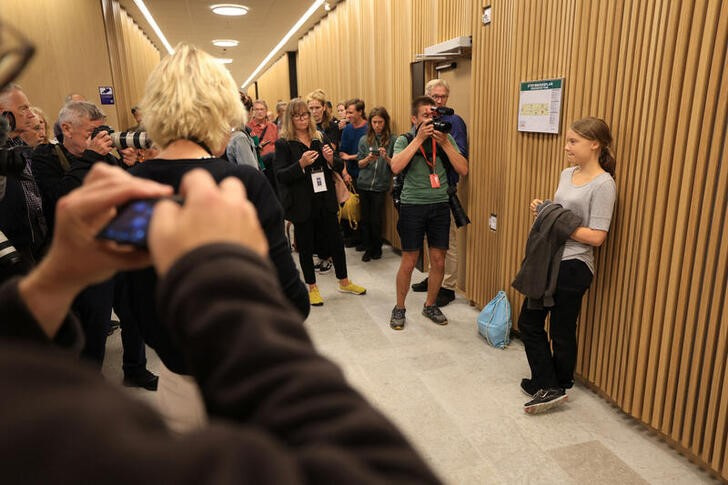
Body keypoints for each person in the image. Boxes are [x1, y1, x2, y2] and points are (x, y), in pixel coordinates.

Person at [0, 162, 440, 484]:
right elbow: (373, 468)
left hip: (175, 377)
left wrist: (54, 279)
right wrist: (220, 271)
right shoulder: (56, 436)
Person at [121, 43, 309, 379]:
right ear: (222, 110)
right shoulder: (243, 184)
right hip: (247, 370)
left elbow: (134, 302)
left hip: (177, 374)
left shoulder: (132, 187)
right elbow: (292, 303)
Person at [32, 101, 154, 386]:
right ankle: (88, 385)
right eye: (91, 131)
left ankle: (135, 370)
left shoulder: (103, 158)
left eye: (100, 130)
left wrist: (128, 165)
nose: (99, 136)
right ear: (67, 129)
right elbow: (61, 198)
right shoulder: (46, 157)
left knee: (133, 314)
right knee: (95, 324)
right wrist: (88, 158)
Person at [515, 117, 617, 414]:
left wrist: (554, 217)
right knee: (530, 323)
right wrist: (544, 210)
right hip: (548, 260)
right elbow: (561, 213)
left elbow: (597, 237)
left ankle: (554, 384)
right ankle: (549, 382)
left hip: (574, 266)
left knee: (560, 329)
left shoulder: (604, 184)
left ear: (595, 144)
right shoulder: (566, 174)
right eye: (568, 141)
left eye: (574, 141)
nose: (567, 146)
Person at [274, 98, 366, 306]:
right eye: (297, 116)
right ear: (290, 118)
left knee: (336, 241)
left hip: (325, 198)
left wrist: (331, 159)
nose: (302, 119)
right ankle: (312, 287)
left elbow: (338, 165)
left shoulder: (320, 136)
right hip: (301, 203)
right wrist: (301, 164)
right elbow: (280, 175)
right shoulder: (283, 144)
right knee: (306, 246)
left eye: (305, 115)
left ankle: (344, 281)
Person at [389, 96, 468, 330]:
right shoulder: (404, 140)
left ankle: (430, 305)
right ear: (414, 119)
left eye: (433, 116)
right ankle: (399, 307)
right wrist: (419, 138)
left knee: (438, 260)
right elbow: (395, 166)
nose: (430, 120)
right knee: (409, 260)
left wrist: (444, 144)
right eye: (425, 116)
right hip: (412, 205)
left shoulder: (446, 138)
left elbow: (463, 168)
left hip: (440, 206)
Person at [411, 79, 469, 306]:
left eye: (443, 97)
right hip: (424, 190)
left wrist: (444, 142)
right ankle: (433, 276)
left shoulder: (454, 122)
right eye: (435, 97)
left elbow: (462, 155)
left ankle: (447, 286)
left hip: (446, 189)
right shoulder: (422, 122)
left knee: (448, 242)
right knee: (430, 239)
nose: (439, 101)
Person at [0, 84, 47, 267]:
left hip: (33, 245)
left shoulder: (19, 147)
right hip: (10, 255)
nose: (31, 114)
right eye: (24, 108)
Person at [356, 106, 394, 262]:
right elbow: (359, 163)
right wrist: (367, 159)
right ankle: (367, 248)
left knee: (376, 219)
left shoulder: (393, 140)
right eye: (374, 122)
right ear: (370, 123)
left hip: (380, 185)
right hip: (364, 184)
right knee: (365, 218)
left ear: (386, 122)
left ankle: (376, 248)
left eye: (380, 122)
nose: (377, 125)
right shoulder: (364, 140)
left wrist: (385, 157)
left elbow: (395, 165)